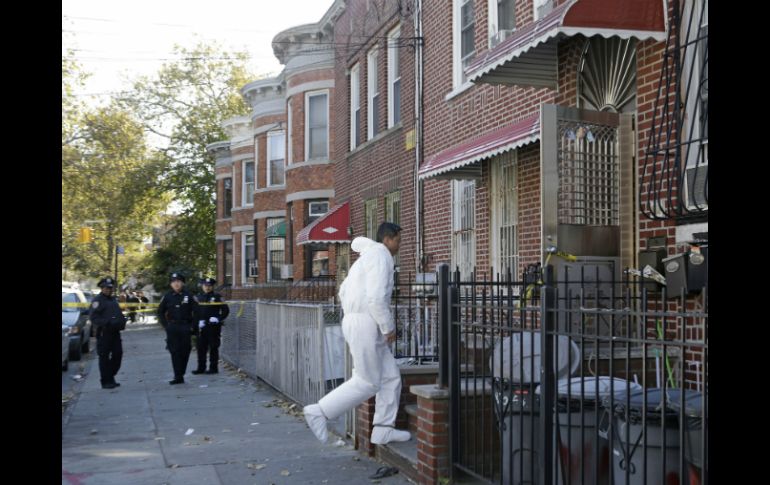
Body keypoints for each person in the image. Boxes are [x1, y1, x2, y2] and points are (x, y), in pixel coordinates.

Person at [303, 222, 410, 445]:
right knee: (367, 381)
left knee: (390, 377)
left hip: (358, 319)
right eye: (398, 240)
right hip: (366, 322)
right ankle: (319, 411)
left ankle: (383, 430)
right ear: (388, 239)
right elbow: (376, 298)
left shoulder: (366, 258)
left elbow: (343, 290)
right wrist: (387, 327)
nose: (399, 245)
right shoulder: (381, 256)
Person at [157, 273, 200, 385]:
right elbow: (160, 312)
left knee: (185, 351)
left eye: (178, 281)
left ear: (182, 283)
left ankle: (181, 373)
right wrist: (166, 325)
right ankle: (178, 376)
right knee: (174, 351)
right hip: (173, 327)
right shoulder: (167, 296)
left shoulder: (189, 295)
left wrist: (193, 327)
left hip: (186, 327)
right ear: (171, 284)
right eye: (173, 281)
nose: (176, 283)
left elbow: (197, 312)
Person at [88, 277, 127, 389]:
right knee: (104, 358)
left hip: (115, 333)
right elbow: (94, 317)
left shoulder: (113, 300)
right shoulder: (97, 300)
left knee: (118, 354)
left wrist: (122, 321)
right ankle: (106, 381)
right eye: (106, 288)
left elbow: (118, 314)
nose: (109, 290)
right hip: (104, 333)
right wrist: (108, 322)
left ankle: (110, 376)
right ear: (102, 288)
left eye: (110, 288)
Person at [192, 277, 230, 375]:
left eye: (209, 286)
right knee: (201, 348)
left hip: (213, 327)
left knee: (213, 347)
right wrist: (197, 323)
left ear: (212, 287)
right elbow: (195, 312)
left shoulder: (217, 297)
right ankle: (201, 368)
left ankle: (213, 368)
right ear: (202, 286)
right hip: (201, 326)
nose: (207, 288)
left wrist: (218, 318)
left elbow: (226, 310)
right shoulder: (198, 297)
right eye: (205, 286)